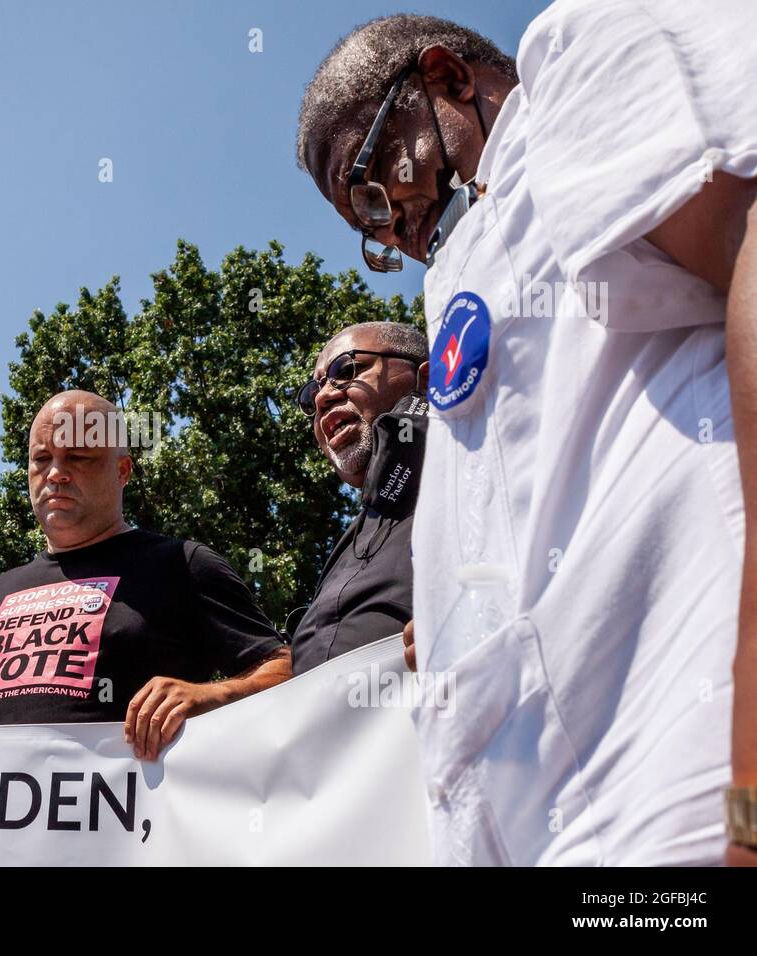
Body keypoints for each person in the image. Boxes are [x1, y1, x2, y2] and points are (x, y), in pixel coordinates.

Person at [296, 4, 757, 865]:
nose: (387, 226)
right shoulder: (471, 278)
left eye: (372, 183)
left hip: (689, 795)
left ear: (446, 78)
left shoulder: (571, 71)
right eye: (365, 229)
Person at [0, 389, 291, 762]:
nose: (56, 474)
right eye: (42, 459)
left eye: (78, 457)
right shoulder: (1, 588)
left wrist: (208, 696)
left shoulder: (183, 564)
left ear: (122, 470)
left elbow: (286, 669)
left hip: (123, 838)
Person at [289, 320, 428, 673]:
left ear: (426, 380)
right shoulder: (343, 551)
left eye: (347, 368)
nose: (321, 397)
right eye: (311, 395)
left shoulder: (479, 476)